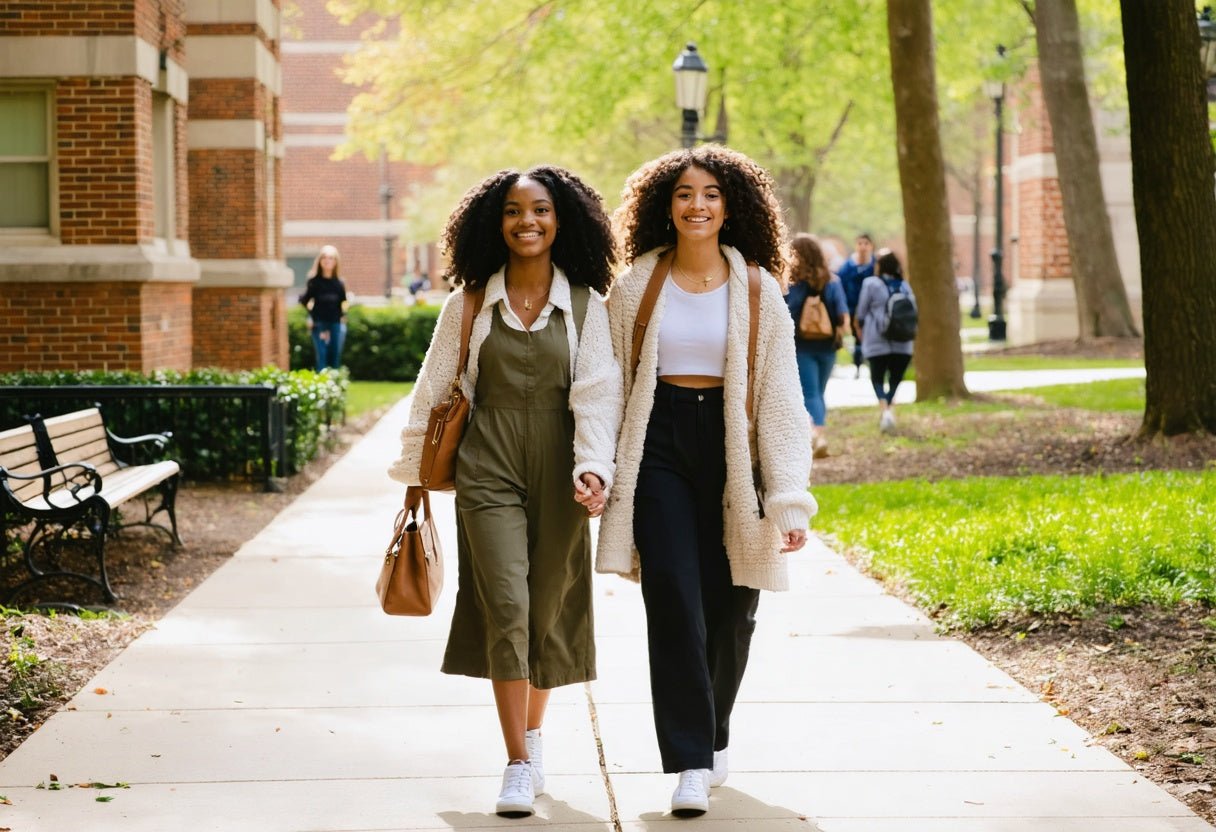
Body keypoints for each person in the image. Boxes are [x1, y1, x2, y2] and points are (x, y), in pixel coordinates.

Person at [387, 166, 621, 818]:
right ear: (495, 223)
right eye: (514, 211)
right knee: (508, 606)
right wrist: (415, 478)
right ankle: (517, 762)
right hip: (487, 464)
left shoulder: (586, 306)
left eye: (540, 210)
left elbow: (598, 395)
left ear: (561, 220)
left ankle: (534, 735)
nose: (527, 222)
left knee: (547, 609)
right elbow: (432, 394)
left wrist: (593, 467)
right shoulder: (468, 306)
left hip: (560, 468)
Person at [596, 146, 816, 818]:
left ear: (731, 206)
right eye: (685, 194)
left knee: (732, 609)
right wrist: (596, 464)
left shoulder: (758, 289)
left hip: (732, 448)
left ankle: (715, 731)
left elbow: (781, 399)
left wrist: (788, 498)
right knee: (671, 596)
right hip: (657, 443)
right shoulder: (636, 285)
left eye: (711, 194)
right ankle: (690, 760)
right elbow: (608, 385)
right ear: (665, 206)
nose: (698, 205)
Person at [785, 233, 850, 459]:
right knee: (819, 393)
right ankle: (818, 433)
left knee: (810, 393)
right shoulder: (833, 282)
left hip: (802, 346)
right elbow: (843, 317)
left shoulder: (792, 284)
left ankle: (817, 436)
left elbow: (785, 314)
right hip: (828, 347)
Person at [855, 249, 916, 433]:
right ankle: (889, 409)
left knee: (877, 378)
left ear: (879, 265)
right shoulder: (905, 286)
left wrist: (860, 331)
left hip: (877, 340)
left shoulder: (871, 284)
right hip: (903, 342)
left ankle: (885, 408)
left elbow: (861, 312)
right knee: (895, 378)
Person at [299, 245, 349, 371]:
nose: (327, 261)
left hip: (335, 324)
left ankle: (335, 381)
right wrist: (310, 317)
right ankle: (322, 381)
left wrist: (343, 315)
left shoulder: (339, 283)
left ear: (336, 262)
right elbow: (304, 301)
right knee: (322, 355)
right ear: (320, 261)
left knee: (334, 355)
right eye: (324, 258)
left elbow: (343, 302)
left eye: (331, 258)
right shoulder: (314, 282)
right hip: (319, 324)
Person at [835, 232, 876, 377]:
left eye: (866, 244)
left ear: (871, 246)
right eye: (860, 243)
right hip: (852, 308)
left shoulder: (875, 266)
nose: (863, 247)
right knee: (856, 338)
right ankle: (858, 366)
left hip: (871, 310)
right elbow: (840, 287)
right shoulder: (847, 267)